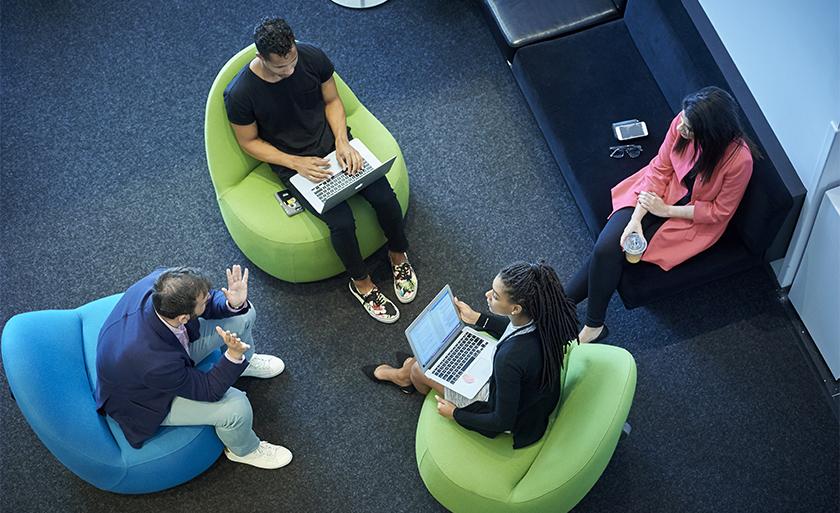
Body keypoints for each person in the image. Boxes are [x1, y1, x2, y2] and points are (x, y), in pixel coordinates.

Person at [223, 17, 417, 324]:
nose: (288, 72)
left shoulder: (312, 55)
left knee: (382, 195)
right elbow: (249, 142)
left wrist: (343, 140)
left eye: (292, 63)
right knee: (340, 221)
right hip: (295, 163)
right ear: (260, 58)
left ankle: (398, 253)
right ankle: (361, 282)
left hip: (335, 144)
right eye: (279, 69)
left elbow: (332, 99)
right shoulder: (239, 94)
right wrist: (295, 162)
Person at [566, 86, 758, 343]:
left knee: (615, 251)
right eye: (683, 122)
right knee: (608, 247)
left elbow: (719, 212)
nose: (681, 129)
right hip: (659, 192)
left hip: (691, 217)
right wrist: (636, 218)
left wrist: (665, 210)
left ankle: (568, 311)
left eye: (689, 129)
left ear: (710, 133)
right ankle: (580, 316)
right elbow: (660, 168)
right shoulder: (681, 121)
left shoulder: (739, 161)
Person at [95, 265, 292, 469]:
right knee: (236, 408)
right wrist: (232, 356)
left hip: (164, 354)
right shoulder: (155, 362)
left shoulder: (163, 283)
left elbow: (204, 299)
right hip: (144, 397)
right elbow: (209, 390)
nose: (209, 298)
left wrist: (231, 303)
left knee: (242, 315)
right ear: (183, 318)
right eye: (204, 300)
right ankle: (244, 450)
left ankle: (245, 363)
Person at [364, 262, 579, 449]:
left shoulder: (510, 359)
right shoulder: (544, 319)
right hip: (529, 392)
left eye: (495, 295)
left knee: (419, 369)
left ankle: (405, 378)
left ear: (515, 308)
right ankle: (407, 371)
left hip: (511, 415)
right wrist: (477, 318)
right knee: (440, 353)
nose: (487, 295)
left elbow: (501, 420)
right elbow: (511, 328)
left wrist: (455, 414)